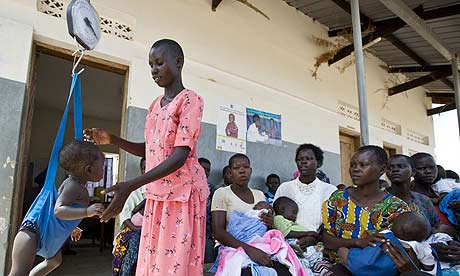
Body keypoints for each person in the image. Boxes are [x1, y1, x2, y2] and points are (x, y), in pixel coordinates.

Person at [84, 39, 210, 275]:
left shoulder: (190, 100)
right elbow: (152, 149)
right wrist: (113, 140)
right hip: (158, 192)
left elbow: (180, 154)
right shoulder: (154, 106)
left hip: (182, 194)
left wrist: (131, 186)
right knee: (154, 259)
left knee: (175, 262)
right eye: (151, 64)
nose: (153, 70)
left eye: (159, 63)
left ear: (178, 62)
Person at [9, 141, 106, 276]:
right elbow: (59, 210)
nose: (103, 170)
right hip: (31, 234)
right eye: (102, 167)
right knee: (19, 273)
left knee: (54, 261)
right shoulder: (73, 185)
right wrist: (86, 212)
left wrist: (71, 227)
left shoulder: (77, 185)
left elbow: (61, 213)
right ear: (88, 169)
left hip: (42, 235)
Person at [322, 145, 411, 274]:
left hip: (378, 269)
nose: (355, 169)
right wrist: (358, 242)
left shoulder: (396, 207)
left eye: (363, 165)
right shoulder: (338, 198)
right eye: (352, 165)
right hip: (342, 265)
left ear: (382, 170)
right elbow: (327, 239)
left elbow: (399, 251)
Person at [211, 153, 295, 275]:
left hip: (261, 244)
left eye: (245, 167)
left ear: (250, 170)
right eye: (236, 168)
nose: (242, 171)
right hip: (231, 247)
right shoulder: (222, 193)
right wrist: (249, 250)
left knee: (285, 270)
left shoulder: (259, 195)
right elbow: (218, 232)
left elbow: (266, 227)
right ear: (230, 173)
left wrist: (269, 222)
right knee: (248, 272)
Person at [339, 212, 437, 275]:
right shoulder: (421, 247)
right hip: (389, 269)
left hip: (365, 260)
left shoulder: (386, 233)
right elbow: (429, 266)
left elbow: (378, 234)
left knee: (343, 251)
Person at [275, 144, 336, 238]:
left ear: (318, 163)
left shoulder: (330, 190)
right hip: (288, 241)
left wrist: (316, 239)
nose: (303, 162)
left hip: (319, 241)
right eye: (299, 160)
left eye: (308, 158)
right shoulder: (284, 188)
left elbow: (332, 223)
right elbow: (276, 219)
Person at [112, 157, 146, 276]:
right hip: (133, 231)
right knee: (135, 243)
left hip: (151, 232)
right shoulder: (135, 192)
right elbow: (125, 218)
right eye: (145, 168)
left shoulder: (165, 192)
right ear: (142, 170)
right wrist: (140, 230)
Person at [273, 197, 323, 273]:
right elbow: (287, 233)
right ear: (283, 209)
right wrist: (307, 233)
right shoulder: (278, 218)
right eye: (293, 212)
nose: (295, 216)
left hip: (303, 242)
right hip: (293, 241)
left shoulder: (287, 220)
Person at [198, 157, 217, 263]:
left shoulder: (211, 188)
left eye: (208, 170)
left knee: (207, 264)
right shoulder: (187, 185)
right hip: (189, 232)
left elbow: (215, 212)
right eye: (202, 168)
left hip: (207, 233)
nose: (205, 172)